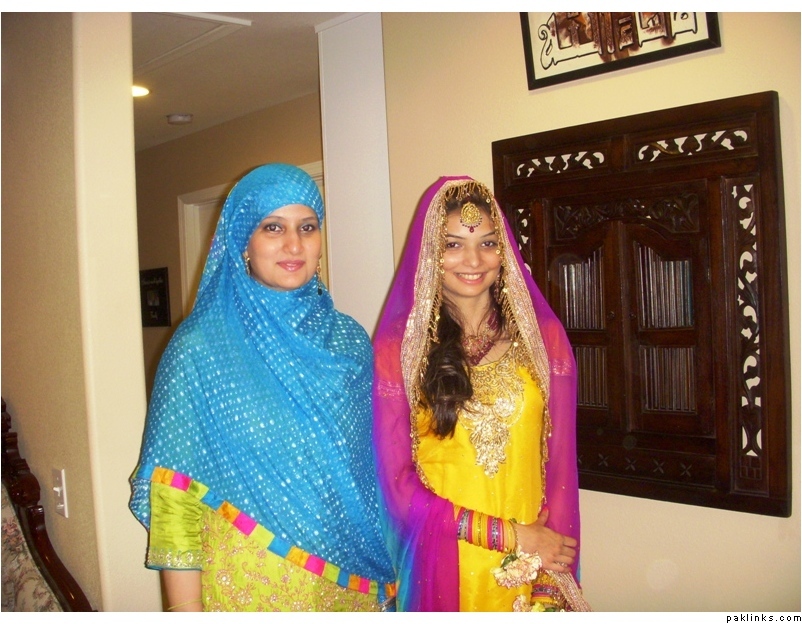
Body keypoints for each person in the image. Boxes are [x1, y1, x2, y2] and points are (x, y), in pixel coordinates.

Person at [130, 163, 396, 612]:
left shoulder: (350, 340)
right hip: (250, 587)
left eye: (307, 227)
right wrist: (184, 611)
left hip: (355, 585)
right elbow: (174, 489)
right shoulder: (200, 348)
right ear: (243, 241)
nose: (294, 244)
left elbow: (377, 467)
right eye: (273, 227)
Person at [372, 176, 590, 611]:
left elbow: (561, 465)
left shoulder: (544, 341)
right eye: (453, 245)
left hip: (532, 566)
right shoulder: (397, 350)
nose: (473, 260)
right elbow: (394, 485)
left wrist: (550, 578)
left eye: (487, 243)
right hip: (441, 571)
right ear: (429, 253)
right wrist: (511, 535)